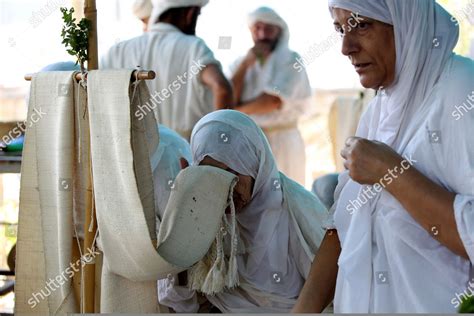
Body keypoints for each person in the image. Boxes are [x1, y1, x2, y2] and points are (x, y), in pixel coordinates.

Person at [293, 0, 474, 313]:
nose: (346, 47)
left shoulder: (461, 91)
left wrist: (389, 171)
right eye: (340, 30)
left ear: (406, 23)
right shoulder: (382, 106)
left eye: (362, 25)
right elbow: (341, 225)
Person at [158, 110, 328, 313]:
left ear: (256, 165)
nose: (226, 187)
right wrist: (186, 208)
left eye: (232, 172)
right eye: (213, 174)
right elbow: (179, 297)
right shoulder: (204, 210)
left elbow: (331, 290)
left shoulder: (298, 208)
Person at [102, 0, 233, 140]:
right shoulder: (194, 48)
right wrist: (218, 143)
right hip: (187, 158)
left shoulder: (116, 52)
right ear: (190, 14)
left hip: (134, 158)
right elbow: (221, 87)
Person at [230, 7, 312, 185]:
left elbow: (273, 101)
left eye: (268, 28)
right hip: (248, 143)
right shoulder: (240, 63)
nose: (262, 34)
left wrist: (234, 111)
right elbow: (229, 96)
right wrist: (245, 65)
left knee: (286, 198)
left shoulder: (291, 60)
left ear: (279, 31)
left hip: (283, 142)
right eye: (257, 28)